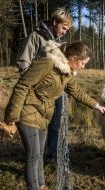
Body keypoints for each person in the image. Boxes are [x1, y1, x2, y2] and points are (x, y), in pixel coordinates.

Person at [4, 41, 105, 190]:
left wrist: (96, 106)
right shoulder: (48, 63)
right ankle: (34, 187)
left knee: (39, 154)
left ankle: (42, 185)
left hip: (44, 115)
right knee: (33, 155)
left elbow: (77, 92)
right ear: (74, 58)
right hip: (27, 111)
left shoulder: (67, 73)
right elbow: (22, 86)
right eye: (83, 63)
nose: (83, 67)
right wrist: (12, 117)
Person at [16, 7, 73, 163]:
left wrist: (65, 90)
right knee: (39, 124)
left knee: (56, 124)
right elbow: (23, 63)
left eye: (67, 29)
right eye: (63, 28)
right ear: (55, 22)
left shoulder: (59, 42)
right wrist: (34, 87)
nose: (64, 32)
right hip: (39, 94)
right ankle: (36, 156)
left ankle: (52, 156)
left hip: (57, 93)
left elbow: (62, 69)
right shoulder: (35, 37)